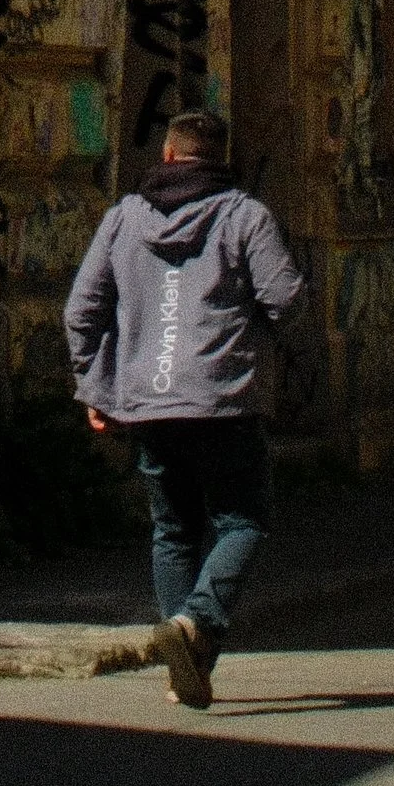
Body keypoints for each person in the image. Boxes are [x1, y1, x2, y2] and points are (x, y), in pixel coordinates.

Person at [65, 105, 303, 708]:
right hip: (222, 401)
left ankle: (185, 664)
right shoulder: (245, 216)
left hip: (146, 402)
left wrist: (95, 386)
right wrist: (262, 338)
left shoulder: (123, 218)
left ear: (168, 155)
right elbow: (286, 301)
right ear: (220, 159)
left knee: (173, 530)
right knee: (244, 520)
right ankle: (195, 621)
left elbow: (81, 311)